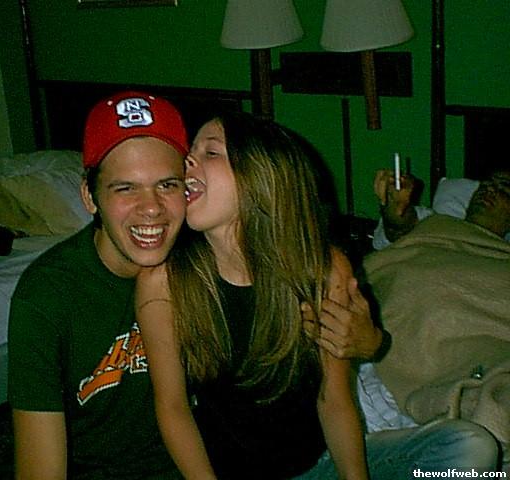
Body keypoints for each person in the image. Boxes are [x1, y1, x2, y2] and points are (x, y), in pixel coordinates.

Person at [136, 111, 500, 480]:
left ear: (262, 176)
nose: (187, 160)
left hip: (316, 467)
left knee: (471, 448)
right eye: (190, 150)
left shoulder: (324, 270)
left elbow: (334, 399)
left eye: (211, 152)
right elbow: (173, 408)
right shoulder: (164, 280)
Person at [7, 91, 189, 479]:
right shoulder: (45, 296)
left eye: (167, 185)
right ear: (90, 197)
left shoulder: (197, 259)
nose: (152, 207)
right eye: (125, 188)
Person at [373, 168, 510, 249]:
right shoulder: (437, 222)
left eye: (503, 189)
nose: (489, 189)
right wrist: (395, 205)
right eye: (484, 185)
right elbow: (400, 227)